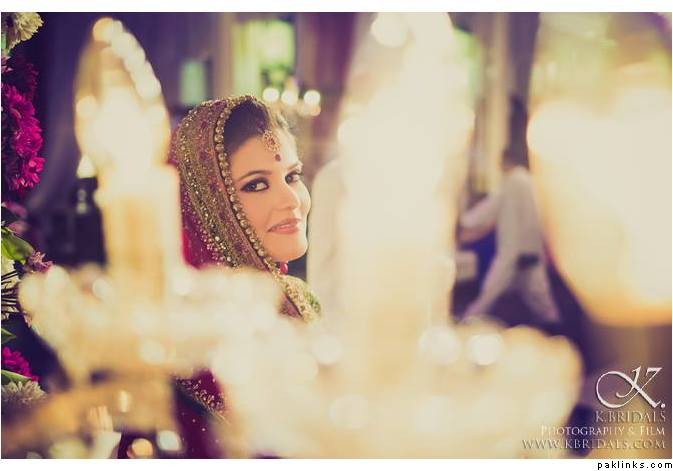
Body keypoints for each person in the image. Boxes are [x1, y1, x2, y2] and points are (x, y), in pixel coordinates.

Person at [118, 95, 320, 458]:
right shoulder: (184, 351)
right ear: (206, 207)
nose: (292, 200)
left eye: (292, 176)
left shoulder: (300, 298)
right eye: (256, 185)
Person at [459, 149, 561, 325]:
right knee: (540, 296)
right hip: (531, 248)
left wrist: (465, 221)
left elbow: (492, 207)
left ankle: (468, 321)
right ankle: (555, 327)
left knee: (490, 291)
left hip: (512, 249)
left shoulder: (513, 182)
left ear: (507, 161)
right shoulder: (530, 182)